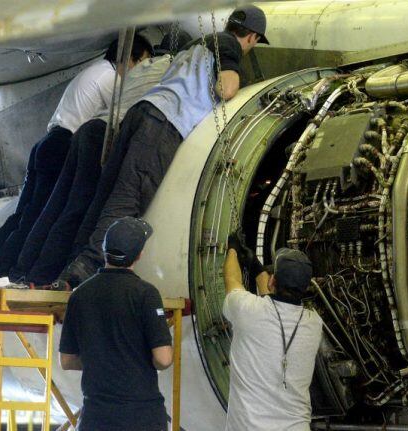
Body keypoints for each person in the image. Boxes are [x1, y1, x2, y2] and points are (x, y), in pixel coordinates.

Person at [55, 5, 270, 289]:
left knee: (104, 199)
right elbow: (227, 89)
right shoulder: (227, 45)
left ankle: (68, 271)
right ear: (253, 37)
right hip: (164, 125)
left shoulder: (197, 46)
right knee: (127, 201)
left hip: (142, 112)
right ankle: (80, 276)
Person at [8, 30, 193, 286]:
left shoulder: (142, 69)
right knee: (82, 211)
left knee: (57, 207)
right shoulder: (174, 70)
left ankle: (26, 271)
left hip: (84, 131)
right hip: (101, 136)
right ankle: (52, 274)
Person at [0, 36, 153, 282]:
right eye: (142, 62)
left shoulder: (91, 72)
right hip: (64, 144)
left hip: (46, 142)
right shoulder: (111, 78)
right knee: (52, 214)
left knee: (24, 216)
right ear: (127, 57)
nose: (140, 70)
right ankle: (21, 272)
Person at [59, 217, 173, 431]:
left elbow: (67, 360)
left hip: (96, 417)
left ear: (104, 251)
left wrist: (103, 362)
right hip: (141, 417)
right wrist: (133, 362)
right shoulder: (145, 294)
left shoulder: (80, 296)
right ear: (139, 254)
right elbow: (164, 358)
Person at [223, 233, 323, 431]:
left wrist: (233, 249)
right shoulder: (314, 324)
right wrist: (256, 267)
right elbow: (275, 307)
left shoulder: (247, 311)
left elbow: (232, 280)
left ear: (273, 281)